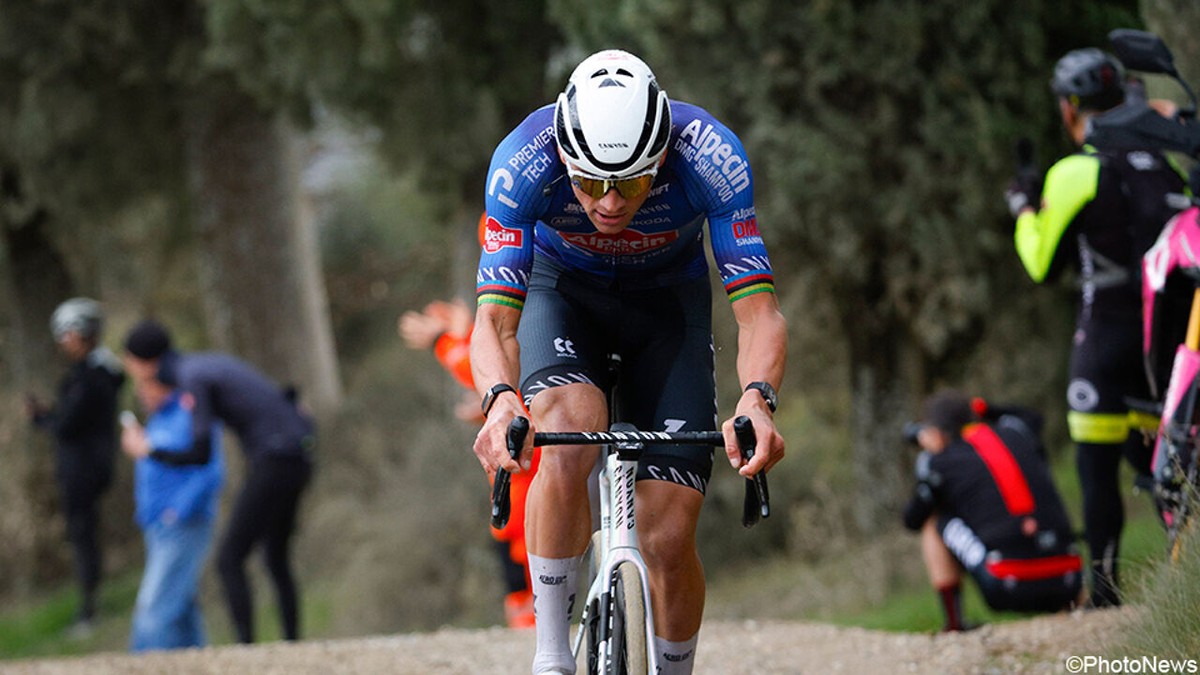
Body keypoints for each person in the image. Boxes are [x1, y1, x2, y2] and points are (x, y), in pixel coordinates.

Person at [470, 49, 787, 675]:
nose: (610, 204)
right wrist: (499, 398)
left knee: (668, 534)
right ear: (564, 159)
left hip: (667, 306)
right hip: (561, 295)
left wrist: (759, 398)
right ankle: (552, 655)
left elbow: (759, 313)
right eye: (589, 184)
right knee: (566, 431)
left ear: (662, 159)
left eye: (634, 184)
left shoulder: (710, 157)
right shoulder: (521, 162)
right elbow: (494, 321)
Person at [1006, 48, 1188, 607]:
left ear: (1069, 110)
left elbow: (1041, 264)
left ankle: (1105, 594)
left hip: (1104, 337)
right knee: (1170, 462)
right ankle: (1186, 575)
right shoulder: (1165, 164)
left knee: (1096, 468)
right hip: (1167, 343)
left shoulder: (1076, 171)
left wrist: (1022, 207)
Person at [121, 319, 315, 644]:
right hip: (299, 454)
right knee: (275, 556)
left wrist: (149, 449)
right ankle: (293, 646)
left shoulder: (190, 376)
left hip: (275, 458)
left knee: (229, 559)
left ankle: (247, 650)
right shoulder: (204, 364)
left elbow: (200, 453)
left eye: (129, 361)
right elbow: (275, 397)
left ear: (144, 362)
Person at [398, 295, 538, 628]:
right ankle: (528, 628)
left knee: (522, 558)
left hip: (525, 490)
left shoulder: (529, 333)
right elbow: (484, 372)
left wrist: (443, 340)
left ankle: (532, 631)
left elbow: (477, 369)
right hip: (516, 487)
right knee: (515, 560)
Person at [902, 391, 1083, 632]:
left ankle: (954, 624)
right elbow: (1033, 417)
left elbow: (912, 520)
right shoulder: (1018, 434)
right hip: (1069, 579)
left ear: (936, 432)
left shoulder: (941, 462)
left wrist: (932, 460)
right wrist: (986, 408)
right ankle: (1076, 606)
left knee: (934, 521)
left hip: (1006, 585)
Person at [25, 297, 125, 636]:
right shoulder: (101, 372)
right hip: (91, 464)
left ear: (82, 334)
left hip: (82, 468)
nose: (62, 343)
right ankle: (89, 604)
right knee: (84, 535)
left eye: (66, 334)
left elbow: (69, 424)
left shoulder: (90, 376)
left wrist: (44, 420)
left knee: (83, 536)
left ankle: (88, 610)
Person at [121, 368, 224, 652]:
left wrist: (177, 511)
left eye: (145, 385)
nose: (140, 392)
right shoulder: (157, 420)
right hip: (155, 525)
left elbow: (210, 472)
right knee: (181, 609)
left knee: (153, 610)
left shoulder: (189, 414)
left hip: (182, 525)